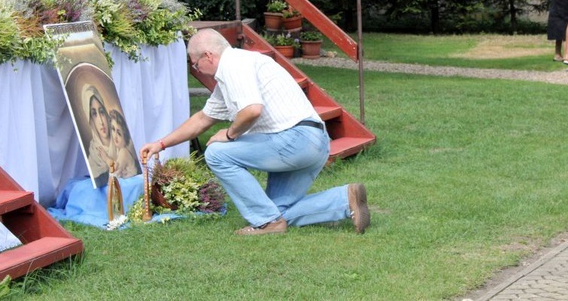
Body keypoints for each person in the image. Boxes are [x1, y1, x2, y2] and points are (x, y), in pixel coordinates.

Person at [140, 28, 370, 235]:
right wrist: (161, 144)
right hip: (315, 141)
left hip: (295, 141)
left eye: (194, 63)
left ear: (208, 55)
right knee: (275, 211)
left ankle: (267, 222)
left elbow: (252, 110)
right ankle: (343, 199)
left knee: (216, 153)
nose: (196, 68)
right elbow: (202, 119)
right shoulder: (237, 70)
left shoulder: (233, 64)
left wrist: (229, 134)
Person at [84, 84, 116, 185]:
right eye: (94, 114)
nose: (101, 121)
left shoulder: (119, 142)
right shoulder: (94, 154)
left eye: (102, 112)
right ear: (91, 120)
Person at [107, 109, 140, 178]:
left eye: (119, 133)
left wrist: (105, 158)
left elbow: (113, 175)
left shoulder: (123, 152)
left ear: (124, 137)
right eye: (113, 129)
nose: (115, 136)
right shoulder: (117, 151)